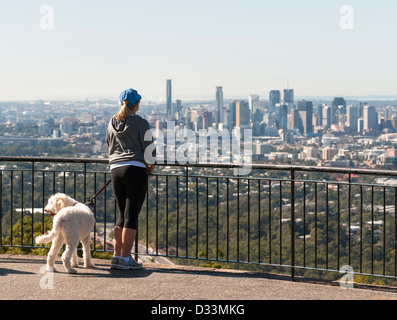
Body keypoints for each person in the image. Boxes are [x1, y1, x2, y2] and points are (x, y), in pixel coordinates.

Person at [106, 88, 156, 270]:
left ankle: (117, 256)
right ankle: (126, 258)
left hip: (116, 170)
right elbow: (150, 150)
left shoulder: (111, 122)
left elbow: (109, 145)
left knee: (121, 215)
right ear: (137, 105)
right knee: (131, 216)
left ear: (121, 103)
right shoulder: (141, 123)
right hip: (135, 169)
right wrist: (150, 166)